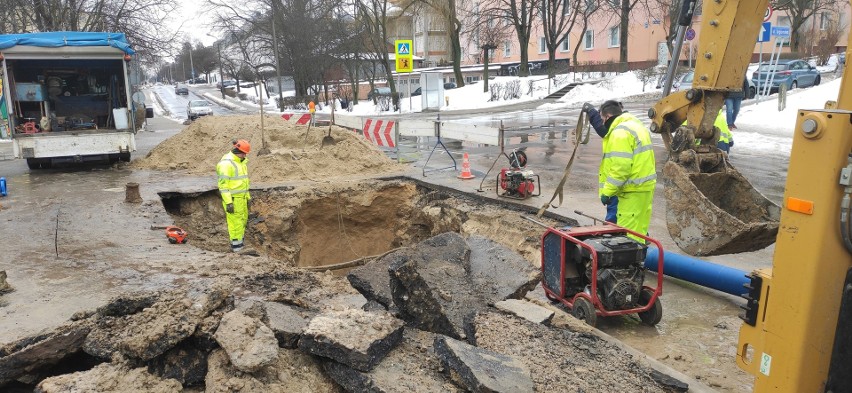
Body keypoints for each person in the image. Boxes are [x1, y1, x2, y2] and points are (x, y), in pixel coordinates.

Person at [582, 101, 657, 242]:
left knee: (627, 237)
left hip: (632, 191)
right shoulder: (635, 125)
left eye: (603, 119)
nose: (603, 124)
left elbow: (620, 169)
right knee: (639, 231)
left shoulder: (620, 133)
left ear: (608, 116)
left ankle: (633, 262)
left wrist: (607, 192)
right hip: (644, 188)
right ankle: (643, 258)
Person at [217, 139, 251, 253]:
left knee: (242, 221)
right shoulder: (226, 164)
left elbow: (243, 182)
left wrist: (248, 197)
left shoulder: (241, 162)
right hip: (233, 200)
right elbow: (223, 186)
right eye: (244, 153)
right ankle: (237, 248)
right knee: (235, 224)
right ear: (239, 151)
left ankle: (240, 244)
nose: (245, 155)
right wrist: (228, 202)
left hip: (242, 199)